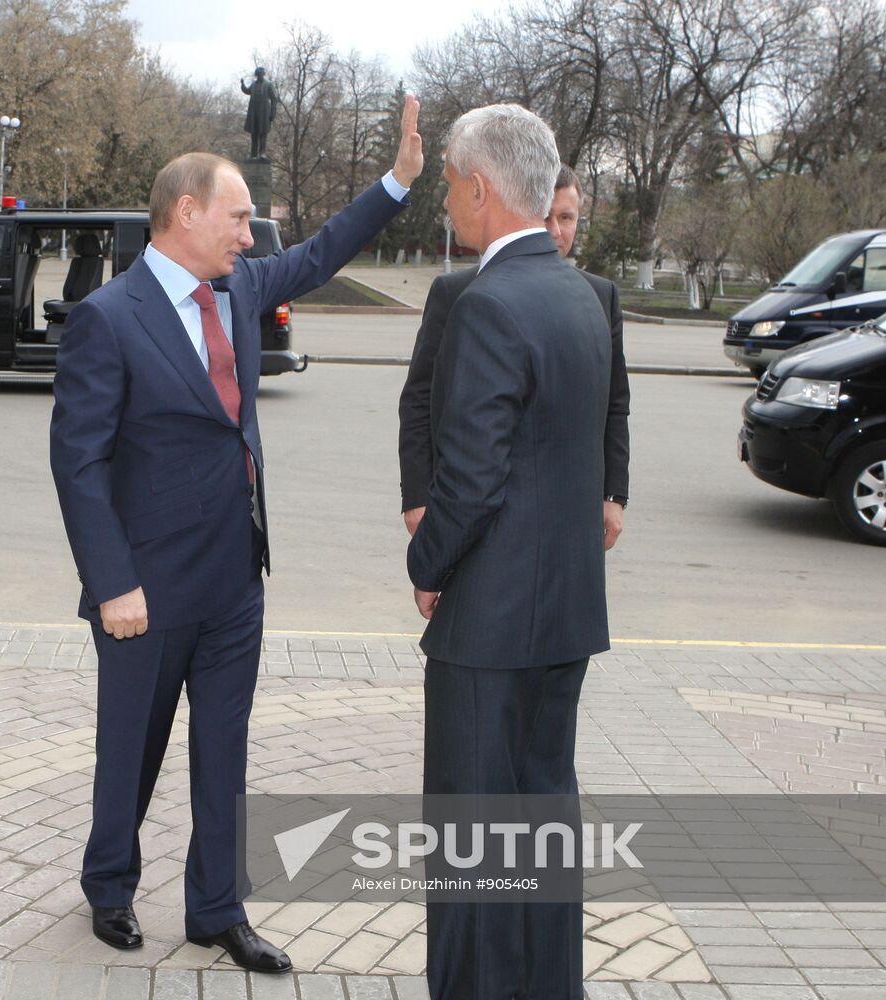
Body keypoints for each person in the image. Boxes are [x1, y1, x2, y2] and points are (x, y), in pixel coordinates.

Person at [50, 97, 424, 974]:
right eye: (238, 217)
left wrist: (397, 183)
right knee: (129, 751)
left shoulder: (240, 287)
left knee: (225, 751)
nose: (250, 237)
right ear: (186, 213)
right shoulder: (109, 317)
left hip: (232, 580)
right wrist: (112, 584)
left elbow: (322, 251)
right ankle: (108, 884)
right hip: (143, 588)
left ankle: (216, 909)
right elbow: (78, 466)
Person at [406, 104, 612, 1000]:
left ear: (480, 188)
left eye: (449, 183)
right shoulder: (575, 291)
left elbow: (472, 480)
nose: (446, 201)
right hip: (562, 618)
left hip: (488, 632)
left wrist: (425, 569)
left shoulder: (488, 302)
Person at [398, 164, 630, 544]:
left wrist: (613, 495)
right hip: (473, 515)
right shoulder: (456, 293)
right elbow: (419, 399)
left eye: (567, 218)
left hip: (569, 511)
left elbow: (614, 403)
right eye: (546, 217)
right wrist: (418, 495)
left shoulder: (600, 297)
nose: (555, 231)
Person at [240, 67, 278, 160]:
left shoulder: (269, 84)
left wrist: (273, 112)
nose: (258, 76)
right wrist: (242, 84)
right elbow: (247, 91)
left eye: (260, 75)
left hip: (264, 112)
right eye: (257, 75)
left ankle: (262, 153)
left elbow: (274, 99)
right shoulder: (253, 84)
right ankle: (253, 153)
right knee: (254, 133)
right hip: (254, 112)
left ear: (263, 74)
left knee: (263, 133)